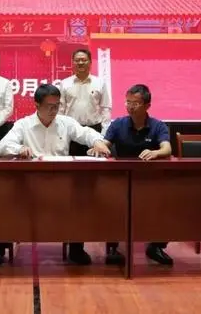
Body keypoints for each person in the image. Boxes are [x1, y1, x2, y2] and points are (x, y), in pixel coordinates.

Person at [0, 84, 111, 266]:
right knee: (7, 200)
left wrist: (97, 141)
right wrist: (19, 148)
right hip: (30, 184)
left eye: (57, 106)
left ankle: (76, 249)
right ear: (37, 105)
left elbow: (85, 133)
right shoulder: (23, 124)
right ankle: (0, 246)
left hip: (61, 183)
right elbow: (2, 147)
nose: (54, 110)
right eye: (49, 106)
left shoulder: (65, 122)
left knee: (80, 199)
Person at [102, 84, 174, 265]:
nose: (130, 106)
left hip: (150, 180)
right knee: (112, 203)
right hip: (121, 180)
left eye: (135, 103)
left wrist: (155, 152)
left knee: (166, 203)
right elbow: (105, 144)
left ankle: (156, 246)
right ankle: (113, 248)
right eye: (128, 102)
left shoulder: (158, 126)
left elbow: (167, 149)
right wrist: (100, 148)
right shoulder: (118, 124)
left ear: (147, 105)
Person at [58, 48, 112, 263]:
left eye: (84, 60)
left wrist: (103, 138)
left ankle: (106, 242)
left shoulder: (100, 83)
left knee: (96, 191)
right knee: (74, 192)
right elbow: (60, 112)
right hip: (72, 138)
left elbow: (106, 110)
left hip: (94, 138)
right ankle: (76, 245)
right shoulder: (64, 84)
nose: (80, 63)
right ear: (72, 62)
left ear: (90, 62)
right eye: (77, 60)